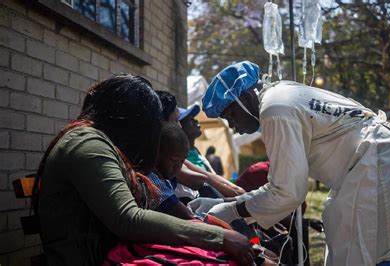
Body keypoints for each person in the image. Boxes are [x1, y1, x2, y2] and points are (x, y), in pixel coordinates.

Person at [189, 61, 390, 265]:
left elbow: (287, 192)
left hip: (379, 171)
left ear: (246, 96)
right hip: (387, 165)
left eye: (231, 115)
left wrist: (230, 209)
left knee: (369, 253)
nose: (233, 127)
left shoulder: (274, 109)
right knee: (351, 236)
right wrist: (226, 202)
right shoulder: (283, 94)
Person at [32, 74, 254, 265]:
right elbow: (129, 219)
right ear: (131, 119)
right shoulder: (87, 144)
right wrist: (219, 236)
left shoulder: (101, 143)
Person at [156, 90, 245, 198]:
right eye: (176, 121)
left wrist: (236, 190)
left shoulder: (195, 153)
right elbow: (198, 180)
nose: (179, 126)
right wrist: (235, 194)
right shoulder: (162, 154)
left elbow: (208, 175)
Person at [149, 122, 194, 219]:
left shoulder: (167, 180)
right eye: (174, 160)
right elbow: (186, 215)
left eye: (182, 161)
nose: (177, 167)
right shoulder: (151, 178)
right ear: (157, 153)